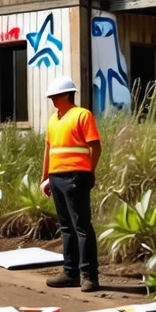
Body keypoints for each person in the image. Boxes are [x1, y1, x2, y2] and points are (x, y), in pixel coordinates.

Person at [41, 76, 103, 292]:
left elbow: (95, 146)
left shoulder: (82, 115)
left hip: (76, 176)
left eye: (55, 97)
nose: (53, 101)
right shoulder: (53, 119)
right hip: (56, 177)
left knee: (81, 227)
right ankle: (70, 272)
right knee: (67, 227)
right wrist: (45, 176)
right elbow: (48, 148)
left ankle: (89, 276)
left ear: (67, 95)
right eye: (51, 97)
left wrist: (89, 171)